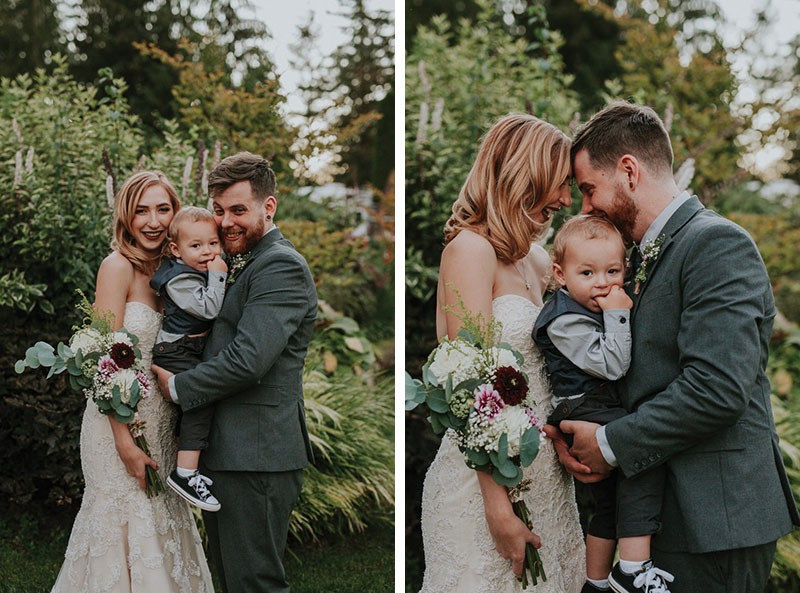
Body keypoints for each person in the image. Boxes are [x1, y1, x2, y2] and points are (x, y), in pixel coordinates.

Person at [557, 100, 800, 593]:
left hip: (713, 520)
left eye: (588, 189)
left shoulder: (717, 244)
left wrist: (607, 446)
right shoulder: (638, 256)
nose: (585, 207)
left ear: (628, 171)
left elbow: (716, 388)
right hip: (657, 515)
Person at [419, 113, 585, 593]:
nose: (565, 200)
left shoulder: (535, 257)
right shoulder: (469, 250)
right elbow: (467, 386)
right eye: (559, 185)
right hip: (485, 489)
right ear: (525, 175)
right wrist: (498, 505)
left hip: (548, 482)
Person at [151, 152, 317, 593]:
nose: (225, 223)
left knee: (254, 582)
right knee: (235, 580)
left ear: (269, 207)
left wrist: (180, 385)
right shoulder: (239, 258)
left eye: (238, 211)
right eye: (220, 210)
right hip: (234, 449)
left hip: (258, 450)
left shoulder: (280, 264)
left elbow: (249, 359)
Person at [51, 171, 214, 593]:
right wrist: (124, 440)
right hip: (115, 427)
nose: (154, 221)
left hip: (162, 422)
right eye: (142, 210)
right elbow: (101, 359)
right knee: (124, 517)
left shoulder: (176, 272)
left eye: (163, 209)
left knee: (162, 518)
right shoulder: (116, 267)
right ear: (126, 217)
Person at [533, 214, 673, 593]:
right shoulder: (563, 320)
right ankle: (632, 568)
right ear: (561, 276)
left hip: (591, 403)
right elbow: (612, 365)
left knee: (608, 502)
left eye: (612, 271)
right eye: (588, 274)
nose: (604, 283)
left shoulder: (587, 301)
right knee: (642, 456)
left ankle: (594, 582)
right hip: (583, 405)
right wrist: (617, 312)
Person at [150, 206, 228, 512]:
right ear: (175, 249)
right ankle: (185, 473)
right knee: (200, 400)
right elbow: (209, 309)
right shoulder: (177, 279)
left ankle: (189, 464)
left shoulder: (196, 268)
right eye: (196, 246)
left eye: (213, 243)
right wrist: (219, 277)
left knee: (199, 403)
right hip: (176, 350)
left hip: (188, 348)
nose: (207, 252)